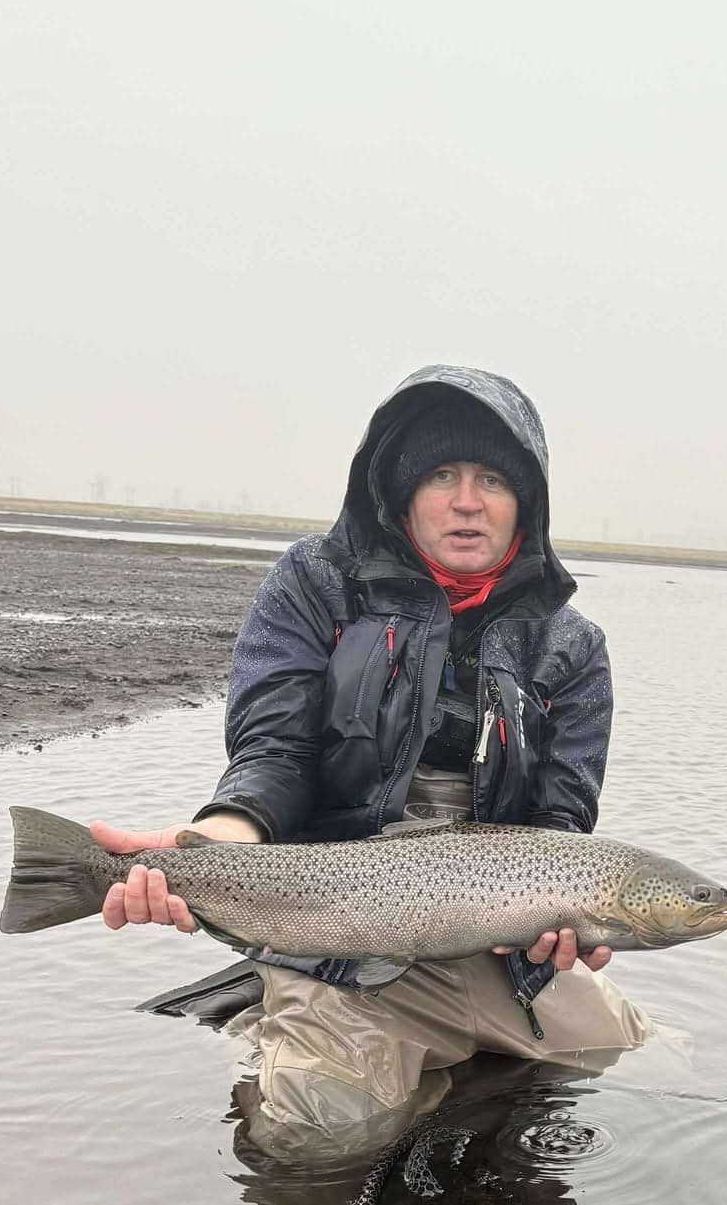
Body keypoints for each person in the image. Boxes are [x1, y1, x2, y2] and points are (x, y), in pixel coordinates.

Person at [94, 363, 649, 1163]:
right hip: (338, 926)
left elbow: (561, 824)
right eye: (441, 475)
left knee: (637, 1063)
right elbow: (274, 752)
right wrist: (216, 840)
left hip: (494, 939)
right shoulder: (314, 585)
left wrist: (567, 931)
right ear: (398, 494)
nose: (467, 499)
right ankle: (280, 1016)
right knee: (314, 1138)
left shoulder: (572, 645)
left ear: (526, 501)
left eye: (493, 478)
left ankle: (439, 1063)